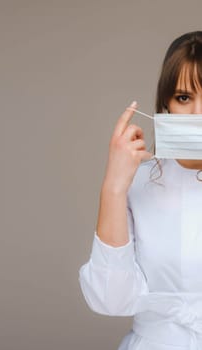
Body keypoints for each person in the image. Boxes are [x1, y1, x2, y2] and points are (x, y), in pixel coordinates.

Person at [79, 31, 202, 349]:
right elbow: (111, 300)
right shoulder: (137, 184)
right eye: (185, 98)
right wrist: (114, 187)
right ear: (166, 104)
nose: (198, 114)